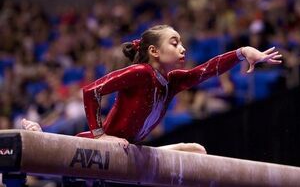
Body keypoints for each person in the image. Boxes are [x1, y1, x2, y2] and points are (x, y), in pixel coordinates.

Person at [22, 25, 282, 154]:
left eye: (182, 42)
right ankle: (38, 139)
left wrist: (242, 52)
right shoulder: (141, 73)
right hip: (97, 147)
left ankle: (41, 140)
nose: (183, 48)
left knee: (196, 152)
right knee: (46, 162)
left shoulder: (173, 82)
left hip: (130, 151)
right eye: (175, 42)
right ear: (154, 51)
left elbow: (206, 70)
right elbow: (91, 90)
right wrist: (100, 136)